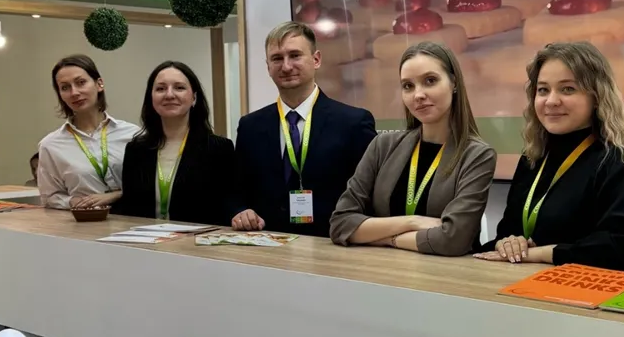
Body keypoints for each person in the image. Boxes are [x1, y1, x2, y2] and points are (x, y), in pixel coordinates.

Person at [475, 41, 624, 272]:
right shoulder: (531, 161)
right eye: (543, 90)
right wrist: (508, 243)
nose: (551, 101)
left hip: (584, 291)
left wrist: (544, 253)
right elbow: (507, 233)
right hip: (521, 286)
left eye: (567, 89)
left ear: (596, 97)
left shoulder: (615, 162)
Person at [330, 41, 496, 255]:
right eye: (408, 86)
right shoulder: (382, 146)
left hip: (444, 273)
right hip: (379, 270)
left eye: (430, 81)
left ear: (454, 83)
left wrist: (385, 238)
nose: (418, 95)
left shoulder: (477, 155)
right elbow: (341, 224)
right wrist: (412, 221)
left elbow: (453, 240)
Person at [232, 21, 376, 238]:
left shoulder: (353, 123)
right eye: (277, 58)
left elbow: (369, 193)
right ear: (268, 66)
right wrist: (240, 211)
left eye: (295, 55)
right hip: (267, 243)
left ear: (316, 59)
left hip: (331, 243)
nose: (286, 66)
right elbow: (236, 189)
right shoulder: (250, 126)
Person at [114, 61, 235, 225]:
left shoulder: (219, 149)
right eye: (160, 89)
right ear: (151, 98)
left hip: (196, 240)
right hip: (146, 238)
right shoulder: (136, 149)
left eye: (179, 87)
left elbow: (227, 207)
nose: (169, 95)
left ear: (194, 97)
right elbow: (130, 207)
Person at [37, 54, 136, 210]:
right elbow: (49, 197)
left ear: (99, 84)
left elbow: (149, 185)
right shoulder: (50, 145)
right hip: (85, 221)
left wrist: (115, 195)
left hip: (135, 220)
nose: (74, 92)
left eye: (81, 82)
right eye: (65, 87)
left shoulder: (133, 135)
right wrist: (73, 202)